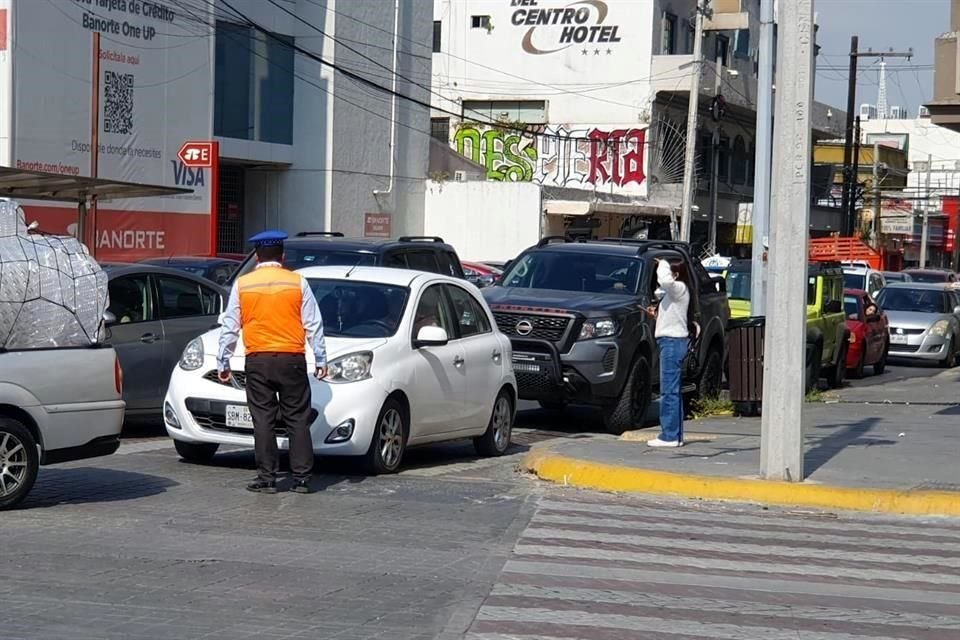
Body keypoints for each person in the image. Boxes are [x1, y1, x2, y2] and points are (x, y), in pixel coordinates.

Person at [217, 230, 327, 494]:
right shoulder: (298, 282)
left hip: (258, 360)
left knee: (263, 419)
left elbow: (230, 326)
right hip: (292, 359)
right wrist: (321, 357)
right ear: (283, 256)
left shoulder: (244, 284)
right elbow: (313, 324)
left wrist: (224, 361)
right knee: (297, 419)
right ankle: (301, 479)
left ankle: (267, 478)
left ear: (256, 256)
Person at [648, 258, 693, 448]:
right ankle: (675, 434)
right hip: (672, 341)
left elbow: (665, 281)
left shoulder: (679, 287)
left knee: (669, 391)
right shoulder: (673, 294)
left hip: (672, 343)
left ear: (676, 274)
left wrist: (663, 263)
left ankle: (669, 436)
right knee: (672, 390)